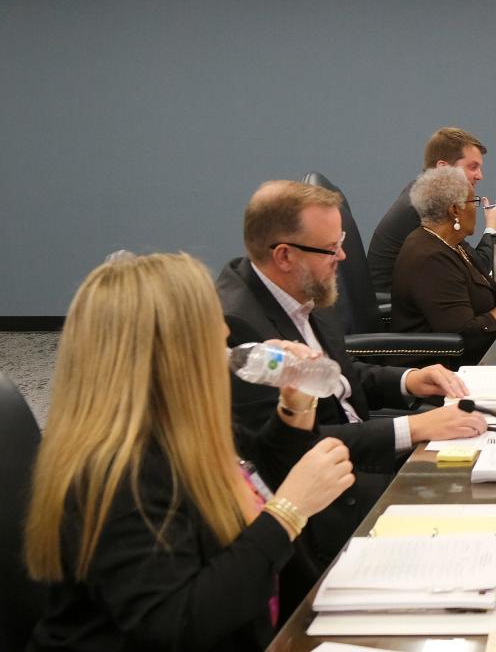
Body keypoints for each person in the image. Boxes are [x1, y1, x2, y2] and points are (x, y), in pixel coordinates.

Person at [25, 253, 355, 650]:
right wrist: (288, 512)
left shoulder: (179, 428)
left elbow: (259, 478)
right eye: (213, 333)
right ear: (174, 356)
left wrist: (295, 407)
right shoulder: (118, 473)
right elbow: (177, 624)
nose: (226, 339)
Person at [217, 180, 488, 469]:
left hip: (361, 449)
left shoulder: (301, 286)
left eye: (341, 242)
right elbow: (288, 447)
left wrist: (409, 380)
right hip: (331, 483)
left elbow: (339, 376)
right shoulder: (239, 328)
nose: (342, 257)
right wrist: (414, 428)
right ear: (285, 255)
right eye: (331, 248)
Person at [390, 166, 496, 363]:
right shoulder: (429, 258)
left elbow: (482, 287)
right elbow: (466, 336)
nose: (476, 209)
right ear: (455, 209)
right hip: (441, 372)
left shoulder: (452, 242)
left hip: (474, 357)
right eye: (475, 202)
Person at [368, 127, 496, 293]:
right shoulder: (428, 206)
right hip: (395, 309)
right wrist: (493, 228)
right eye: (472, 167)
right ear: (443, 168)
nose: (479, 175)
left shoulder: (419, 191)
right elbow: (477, 268)